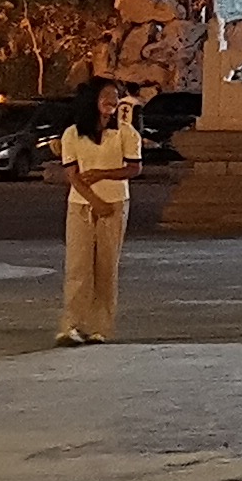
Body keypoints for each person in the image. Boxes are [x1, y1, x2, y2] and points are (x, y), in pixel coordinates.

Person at [57, 83, 146, 345]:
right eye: (105, 95)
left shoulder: (125, 133)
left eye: (115, 96)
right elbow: (72, 174)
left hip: (115, 204)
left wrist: (102, 175)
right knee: (78, 266)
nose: (112, 101)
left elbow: (133, 168)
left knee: (106, 267)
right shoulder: (73, 134)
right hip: (81, 205)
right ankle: (72, 325)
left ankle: (100, 328)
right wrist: (94, 200)